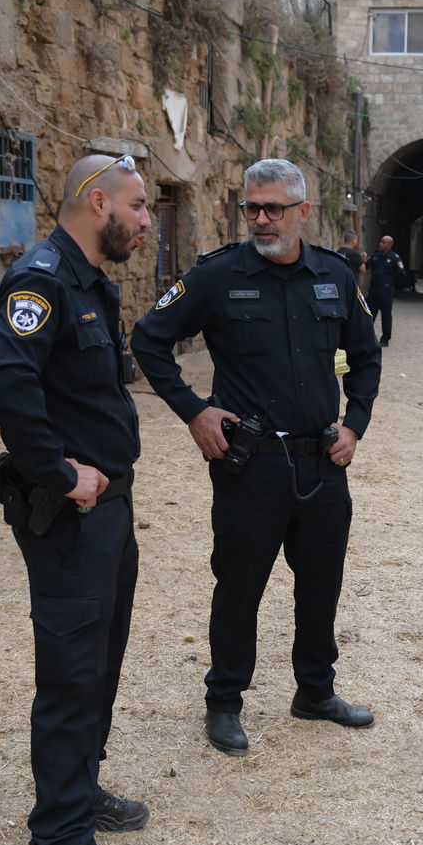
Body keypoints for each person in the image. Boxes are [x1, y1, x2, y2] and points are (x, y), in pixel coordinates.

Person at [132, 158, 382, 757]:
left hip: (323, 463)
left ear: (302, 212)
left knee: (322, 584)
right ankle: (224, 702)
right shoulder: (217, 277)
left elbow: (366, 355)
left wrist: (355, 424)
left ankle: (315, 692)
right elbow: (148, 338)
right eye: (252, 208)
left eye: (274, 208)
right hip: (250, 466)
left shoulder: (335, 276)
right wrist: (194, 409)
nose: (262, 220)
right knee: (240, 586)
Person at [0, 153, 153, 845]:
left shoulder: (90, 280)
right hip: (71, 515)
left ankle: (81, 791)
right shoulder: (41, 279)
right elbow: (6, 382)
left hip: (110, 512)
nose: (148, 220)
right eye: (140, 206)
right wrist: (56, 472)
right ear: (95, 202)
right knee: (71, 675)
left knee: (101, 661)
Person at [367, 235, 404, 346]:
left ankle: (385, 339)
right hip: (374, 291)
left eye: (383, 242)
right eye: (380, 242)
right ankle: (367, 337)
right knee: (369, 314)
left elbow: (402, 273)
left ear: (389, 245)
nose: (380, 244)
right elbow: (365, 265)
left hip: (386, 291)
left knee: (386, 315)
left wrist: (391, 284)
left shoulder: (394, 258)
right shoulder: (375, 256)